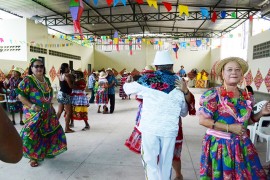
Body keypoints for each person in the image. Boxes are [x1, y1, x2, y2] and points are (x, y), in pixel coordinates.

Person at [198, 57, 270, 179]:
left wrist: (261, 113)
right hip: (221, 146)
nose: (234, 72)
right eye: (229, 69)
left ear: (241, 74)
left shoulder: (246, 95)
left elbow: (248, 121)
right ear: (222, 73)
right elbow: (203, 120)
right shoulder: (213, 94)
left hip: (242, 146)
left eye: (237, 70)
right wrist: (229, 127)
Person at [124, 50, 188, 180]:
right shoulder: (180, 82)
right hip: (170, 130)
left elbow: (127, 90)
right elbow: (184, 112)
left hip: (150, 128)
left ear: (156, 67)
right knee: (165, 164)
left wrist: (128, 81)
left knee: (150, 162)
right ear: (171, 66)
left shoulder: (147, 79)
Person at [17, 58, 67, 167]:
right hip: (34, 112)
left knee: (48, 132)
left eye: (41, 66)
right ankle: (33, 157)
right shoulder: (27, 80)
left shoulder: (46, 79)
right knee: (31, 135)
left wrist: (51, 106)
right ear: (31, 68)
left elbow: (48, 96)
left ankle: (46, 151)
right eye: (36, 66)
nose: (39, 68)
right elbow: (20, 95)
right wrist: (32, 106)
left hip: (47, 111)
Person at [56, 63, 74, 133]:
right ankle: (67, 128)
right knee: (68, 112)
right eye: (68, 67)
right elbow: (71, 86)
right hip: (66, 94)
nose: (69, 68)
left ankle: (54, 126)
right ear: (66, 68)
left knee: (59, 111)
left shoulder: (60, 75)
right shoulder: (67, 76)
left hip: (60, 93)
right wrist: (78, 86)